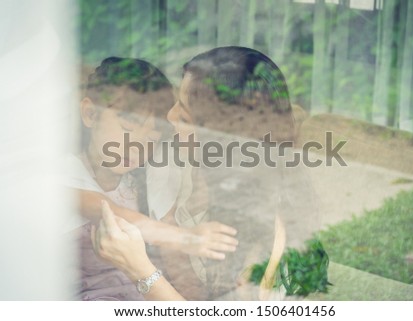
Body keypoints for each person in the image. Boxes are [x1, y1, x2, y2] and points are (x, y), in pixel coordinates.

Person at [92, 47, 319, 300]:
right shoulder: (186, 165)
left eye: (186, 118)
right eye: (177, 102)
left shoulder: (263, 241)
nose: (170, 116)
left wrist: (139, 269)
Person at [65, 57, 238, 300]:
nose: (136, 147)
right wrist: (188, 239)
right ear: (90, 113)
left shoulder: (147, 179)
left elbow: (173, 255)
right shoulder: (63, 174)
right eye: (127, 129)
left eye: (150, 140)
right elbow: (109, 212)